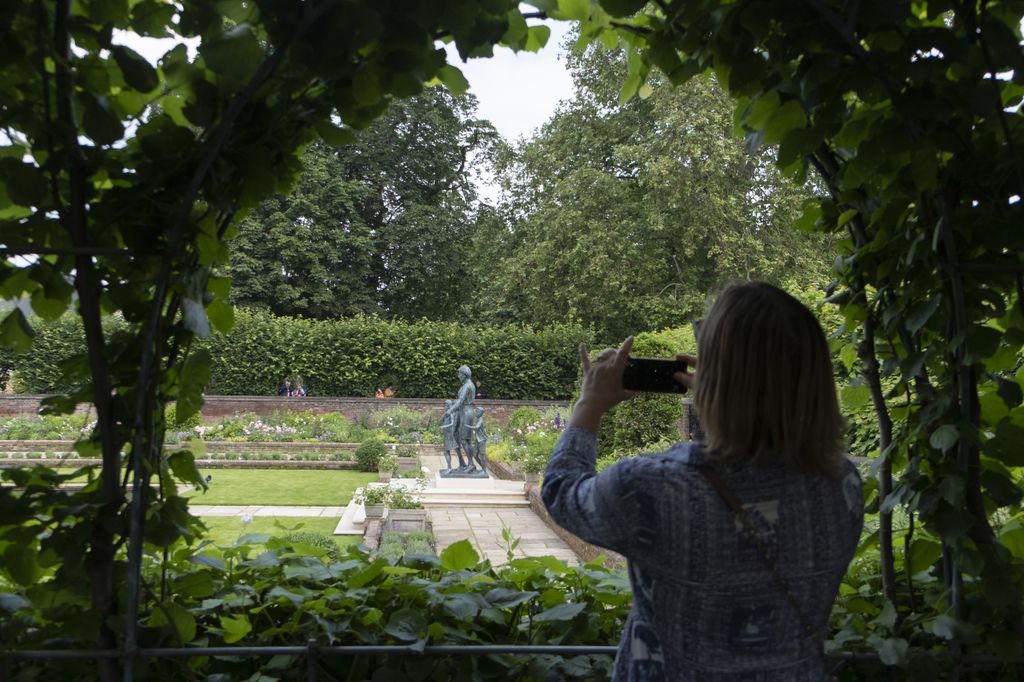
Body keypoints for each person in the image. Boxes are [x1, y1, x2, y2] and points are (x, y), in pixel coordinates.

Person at [542, 282, 864, 681]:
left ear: (719, 379)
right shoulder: (843, 484)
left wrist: (588, 405)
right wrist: (724, 397)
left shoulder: (654, 488)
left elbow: (560, 491)